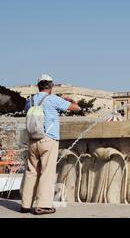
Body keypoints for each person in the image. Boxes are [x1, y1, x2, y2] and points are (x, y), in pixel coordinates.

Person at [20, 74, 80, 215]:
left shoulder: (30, 100)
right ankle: (43, 205)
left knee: (31, 172)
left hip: (33, 140)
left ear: (38, 86)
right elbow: (76, 108)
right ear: (51, 86)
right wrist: (68, 99)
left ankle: (25, 205)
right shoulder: (53, 99)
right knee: (47, 172)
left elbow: (26, 111)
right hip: (48, 139)